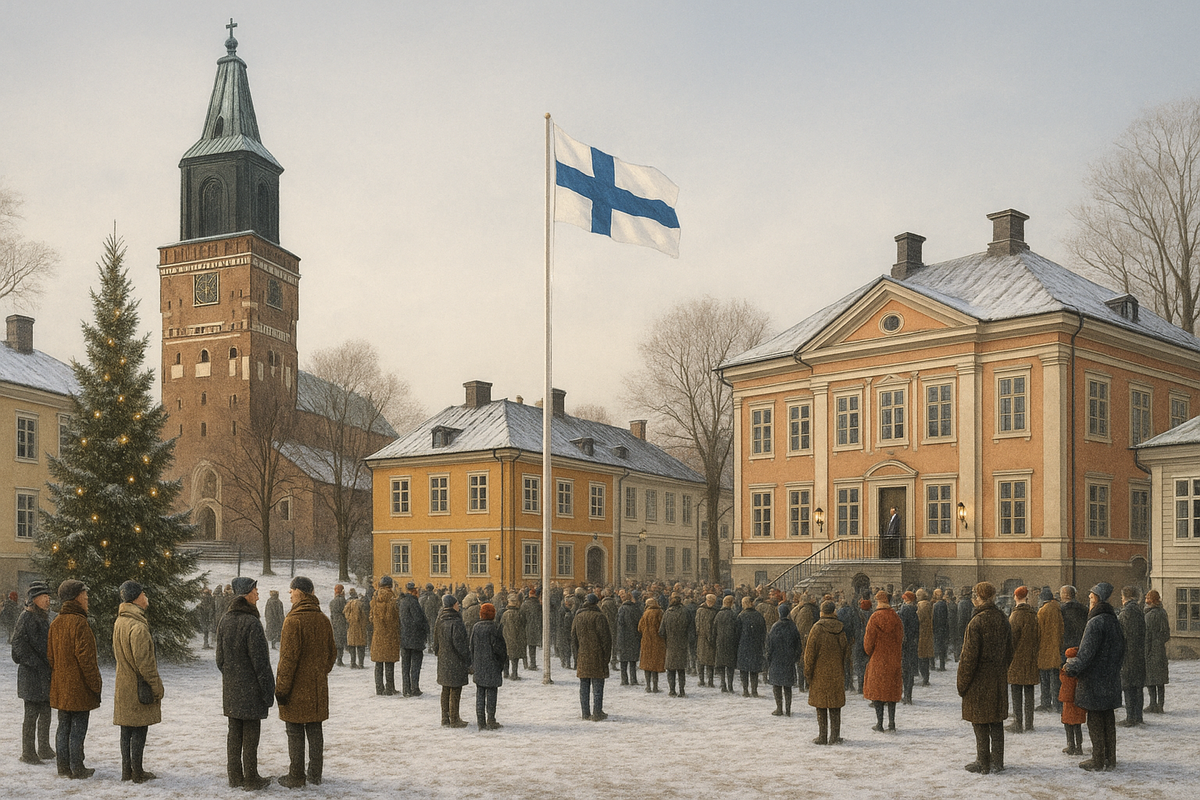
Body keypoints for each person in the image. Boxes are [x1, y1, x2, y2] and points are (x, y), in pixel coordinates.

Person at [275, 576, 337, 788]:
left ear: (300, 593)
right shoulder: (323, 619)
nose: (290, 595)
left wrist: (281, 689)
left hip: (296, 687)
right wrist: (319, 672)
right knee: (314, 729)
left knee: (294, 730)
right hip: (317, 687)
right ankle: (315, 774)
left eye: (291, 591)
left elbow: (288, 659)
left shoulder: (293, 621)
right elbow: (332, 653)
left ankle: (296, 775)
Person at [216, 576, 275, 791]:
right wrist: (268, 690)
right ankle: (251, 777)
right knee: (251, 734)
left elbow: (220, 659)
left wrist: (233, 676)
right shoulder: (252, 623)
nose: (258, 596)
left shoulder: (225, 620)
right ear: (246, 594)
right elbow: (261, 663)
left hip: (232, 689)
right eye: (255, 592)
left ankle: (234, 776)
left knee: (234, 733)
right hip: (251, 690)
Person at [1063, 582, 1126, 772]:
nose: (1089, 602)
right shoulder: (1113, 620)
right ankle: (1110, 758)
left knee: (1095, 720)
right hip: (1110, 679)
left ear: (1097, 600)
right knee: (1108, 719)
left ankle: (1098, 760)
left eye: (1091, 599)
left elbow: (1085, 655)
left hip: (1093, 681)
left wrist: (1070, 667)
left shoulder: (1095, 622)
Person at [957, 581, 1014, 774]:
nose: (973, 598)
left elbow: (968, 657)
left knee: (980, 721)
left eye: (975, 595)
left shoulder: (977, 622)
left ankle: (983, 761)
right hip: (997, 678)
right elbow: (1010, 651)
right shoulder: (1002, 618)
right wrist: (1000, 669)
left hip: (979, 680)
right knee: (996, 721)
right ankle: (997, 761)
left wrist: (962, 683)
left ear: (979, 598)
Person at [47, 579, 101, 779]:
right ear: (76, 598)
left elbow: (50, 656)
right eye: (85, 595)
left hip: (61, 686)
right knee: (78, 728)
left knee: (63, 727)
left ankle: (63, 767)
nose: (87, 599)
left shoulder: (56, 623)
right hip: (79, 688)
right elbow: (87, 660)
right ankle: (77, 767)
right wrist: (95, 685)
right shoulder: (80, 623)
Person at [112, 580, 165, 783]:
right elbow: (145, 664)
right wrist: (156, 686)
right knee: (139, 729)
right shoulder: (138, 627)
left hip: (124, 684)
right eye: (144, 594)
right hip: (137, 687)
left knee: (126, 729)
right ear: (136, 598)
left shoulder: (120, 621)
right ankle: (137, 772)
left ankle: (127, 770)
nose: (146, 598)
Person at [11, 580, 55, 764]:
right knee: (31, 715)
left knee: (45, 712)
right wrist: (37, 663)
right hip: (31, 676)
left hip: (43, 675)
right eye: (44, 597)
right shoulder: (26, 617)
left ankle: (44, 748)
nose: (47, 600)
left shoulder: (43, 617)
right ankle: (28, 752)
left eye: (48, 597)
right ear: (34, 599)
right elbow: (17, 646)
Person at [805, 600, 851, 744]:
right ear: (833, 611)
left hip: (819, 673)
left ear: (822, 612)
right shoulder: (840, 628)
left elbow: (809, 654)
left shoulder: (816, 629)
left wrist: (808, 673)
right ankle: (835, 736)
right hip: (836, 672)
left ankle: (822, 736)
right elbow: (846, 652)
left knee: (821, 705)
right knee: (835, 706)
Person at [863, 590, 903, 732]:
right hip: (893, 659)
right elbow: (900, 638)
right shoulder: (895, 617)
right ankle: (892, 722)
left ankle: (879, 723)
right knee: (891, 691)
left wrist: (870, 652)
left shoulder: (874, 617)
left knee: (877, 692)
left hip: (878, 659)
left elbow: (868, 643)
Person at [571, 593, 612, 721]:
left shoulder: (578, 616)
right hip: (597, 656)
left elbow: (573, 638)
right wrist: (606, 658)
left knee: (584, 686)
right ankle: (597, 712)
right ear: (596, 603)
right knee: (598, 687)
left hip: (583, 656)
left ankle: (585, 712)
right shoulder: (600, 617)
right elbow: (606, 639)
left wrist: (577, 655)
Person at [434, 594, 470, 728]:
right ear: (452, 605)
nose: (458, 605)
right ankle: (455, 719)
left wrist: (440, 653)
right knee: (455, 689)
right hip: (456, 660)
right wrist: (467, 658)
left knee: (445, 689)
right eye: (456, 603)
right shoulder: (456, 621)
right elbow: (460, 644)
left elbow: (435, 641)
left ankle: (445, 717)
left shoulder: (440, 619)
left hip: (444, 659)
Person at [469, 602, 506, 730]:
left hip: (479, 665)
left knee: (480, 693)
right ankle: (491, 719)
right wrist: (500, 663)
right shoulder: (494, 628)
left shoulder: (476, 627)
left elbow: (472, 647)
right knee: (491, 693)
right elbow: (499, 649)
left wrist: (474, 662)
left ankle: (480, 721)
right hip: (492, 665)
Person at [1006, 586, 1039, 733]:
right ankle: (1029, 723)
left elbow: (1012, 639)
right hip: (1031, 658)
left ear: (1016, 597)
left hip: (1017, 659)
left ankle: (1018, 723)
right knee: (1029, 691)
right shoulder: (1033, 615)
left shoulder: (1015, 615)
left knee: (1016, 690)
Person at [765, 601, 800, 717]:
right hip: (788, 659)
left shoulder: (775, 627)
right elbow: (798, 644)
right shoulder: (792, 626)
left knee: (777, 686)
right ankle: (788, 709)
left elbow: (770, 645)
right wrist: (795, 657)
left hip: (777, 660)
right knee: (787, 686)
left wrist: (769, 658)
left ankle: (779, 708)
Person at [1117, 585, 1145, 726]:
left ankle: (1130, 717)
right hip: (1139, 654)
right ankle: (1138, 716)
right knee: (1138, 687)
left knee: (1128, 686)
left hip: (1128, 654)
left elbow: (1122, 636)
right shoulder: (1140, 611)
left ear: (1125, 597)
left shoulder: (1125, 613)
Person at [370, 576, 400, 696]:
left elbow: (371, 617)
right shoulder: (392, 598)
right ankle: (389, 688)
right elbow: (394, 618)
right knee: (389, 663)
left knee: (378, 664)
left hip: (377, 635)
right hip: (389, 635)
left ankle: (379, 688)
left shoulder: (374, 598)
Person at [1036, 586, 1064, 713]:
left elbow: (1038, 631)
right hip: (1056, 648)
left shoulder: (1042, 611)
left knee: (1045, 679)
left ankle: (1046, 703)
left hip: (1044, 649)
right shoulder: (1057, 609)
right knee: (1055, 679)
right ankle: (1057, 704)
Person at [399, 581, 428, 696]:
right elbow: (419, 620)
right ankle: (414, 688)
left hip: (405, 637)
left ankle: (406, 688)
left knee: (405, 666)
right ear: (414, 591)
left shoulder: (402, 602)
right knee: (415, 665)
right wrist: (425, 629)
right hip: (415, 638)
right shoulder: (414, 602)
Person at [1143, 589, 1170, 713]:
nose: (1146, 600)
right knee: (1158, 680)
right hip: (1159, 650)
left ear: (1152, 600)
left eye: (1147, 598)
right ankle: (1158, 705)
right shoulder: (1162, 612)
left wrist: (1150, 646)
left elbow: (1147, 635)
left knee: (1152, 679)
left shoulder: (1150, 615)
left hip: (1151, 650)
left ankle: (1154, 704)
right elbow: (1166, 634)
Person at [660, 593, 691, 697]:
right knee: (681, 669)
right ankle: (682, 690)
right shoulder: (685, 612)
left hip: (671, 644)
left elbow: (661, 631)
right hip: (682, 644)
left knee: (671, 669)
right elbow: (690, 628)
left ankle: (672, 690)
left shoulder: (667, 613)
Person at [736, 596, 767, 697]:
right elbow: (763, 631)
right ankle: (754, 690)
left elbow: (737, 632)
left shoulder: (741, 616)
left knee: (744, 670)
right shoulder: (758, 615)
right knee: (754, 670)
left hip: (744, 645)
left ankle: (745, 690)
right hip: (756, 645)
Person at [1059, 647, 1086, 755]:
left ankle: (1071, 746)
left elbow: (1065, 682)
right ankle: (1079, 747)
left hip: (1069, 702)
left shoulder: (1067, 672)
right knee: (1077, 726)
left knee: (1068, 725)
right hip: (1078, 701)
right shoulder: (1080, 670)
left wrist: (1062, 671)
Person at [638, 595, 666, 692]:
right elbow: (662, 628)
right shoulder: (659, 613)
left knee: (647, 665)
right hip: (657, 642)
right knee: (655, 665)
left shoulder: (645, 614)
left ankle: (648, 686)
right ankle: (655, 686)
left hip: (646, 642)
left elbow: (639, 628)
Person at [615, 590, 642, 686]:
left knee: (623, 661)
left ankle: (624, 680)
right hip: (634, 637)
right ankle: (633, 679)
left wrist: (619, 638)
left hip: (624, 638)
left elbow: (620, 624)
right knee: (633, 661)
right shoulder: (636, 609)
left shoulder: (622, 609)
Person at [714, 595, 739, 693]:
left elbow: (714, 629)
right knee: (730, 666)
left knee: (721, 665)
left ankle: (723, 684)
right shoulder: (733, 615)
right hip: (731, 642)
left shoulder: (719, 615)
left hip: (720, 641)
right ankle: (730, 686)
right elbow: (736, 630)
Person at [897, 591, 919, 704]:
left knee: (905, 670)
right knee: (910, 670)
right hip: (912, 643)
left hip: (905, 644)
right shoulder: (914, 610)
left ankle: (906, 696)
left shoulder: (905, 610)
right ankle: (908, 695)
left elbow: (902, 627)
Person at [695, 593, 718, 688]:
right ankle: (702, 680)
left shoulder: (714, 611)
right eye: (710, 601)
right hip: (702, 638)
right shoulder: (700, 610)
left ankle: (710, 681)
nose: (711, 603)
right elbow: (697, 624)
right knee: (701, 660)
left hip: (709, 639)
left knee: (710, 661)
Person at [501, 594, 527, 680]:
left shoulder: (505, 614)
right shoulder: (519, 614)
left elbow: (501, 625)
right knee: (515, 657)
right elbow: (524, 624)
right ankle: (514, 673)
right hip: (517, 638)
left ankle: (506, 673)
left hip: (506, 637)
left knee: (506, 656)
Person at [916, 588, 934, 685]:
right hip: (927, 633)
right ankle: (926, 677)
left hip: (922, 633)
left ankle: (925, 678)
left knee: (921, 656)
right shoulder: (928, 604)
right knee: (925, 657)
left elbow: (919, 618)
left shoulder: (922, 605)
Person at [522, 588, 542, 671]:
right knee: (532, 647)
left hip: (527, 627)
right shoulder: (538, 604)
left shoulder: (525, 604)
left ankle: (526, 663)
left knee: (525, 646)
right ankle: (533, 663)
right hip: (536, 627)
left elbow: (522, 616)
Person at [329, 585, 348, 668]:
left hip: (334, 622)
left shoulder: (332, 602)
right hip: (342, 622)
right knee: (341, 641)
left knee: (336, 641)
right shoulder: (344, 601)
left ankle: (334, 659)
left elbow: (331, 613)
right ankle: (339, 660)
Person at [931, 588, 949, 671]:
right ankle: (941, 665)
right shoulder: (943, 604)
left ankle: (937, 665)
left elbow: (936, 618)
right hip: (942, 628)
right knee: (941, 647)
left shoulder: (937, 605)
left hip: (938, 628)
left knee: (938, 647)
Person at [420, 584, 440, 653]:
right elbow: (438, 607)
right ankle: (432, 645)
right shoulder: (436, 597)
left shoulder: (423, 597)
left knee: (427, 631)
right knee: (433, 631)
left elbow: (421, 607)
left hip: (425, 616)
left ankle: (428, 645)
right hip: (433, 616)